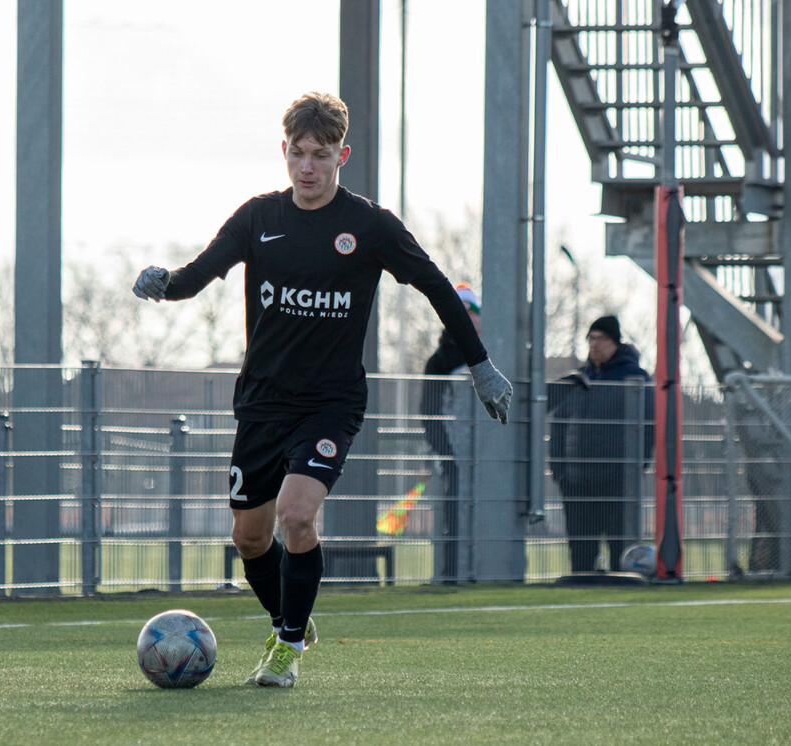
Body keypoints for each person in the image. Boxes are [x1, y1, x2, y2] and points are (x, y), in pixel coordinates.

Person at [132, 92, 512, 687]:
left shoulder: (368, 225)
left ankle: (286, 650)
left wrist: (480, 365)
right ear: (284, 151)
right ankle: (293, 617)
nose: (308, 167)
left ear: (343, 155)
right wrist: (164, 283)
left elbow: (437, 285)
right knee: (249, 538)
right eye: (299, 154)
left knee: (296, 516)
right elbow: (199, 274)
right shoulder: (258, 218)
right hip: (261, 403)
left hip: (329, 404)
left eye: (322, 155)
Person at [549, 315, 653, 574]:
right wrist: (559, 470)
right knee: (581, 549)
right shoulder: (577, 379)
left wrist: (637, 466)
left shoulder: (635, 378)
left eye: (601, 339)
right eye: (591, 338)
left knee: (620, 546)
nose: (594, 344)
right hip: (576, 480)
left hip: (616, 478)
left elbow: (649, 425)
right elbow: (558, 425)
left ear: (615, 342)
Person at [419, 282, 482, 583]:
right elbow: (429, 414)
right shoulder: (439, 361)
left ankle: (487, 574)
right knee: (454, 517)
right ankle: (451, 575)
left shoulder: (491, 354)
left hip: (487, 460)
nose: (468, 318)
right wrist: (446, 453)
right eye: (460, 312)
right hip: (455, 459)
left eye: (473, 312)